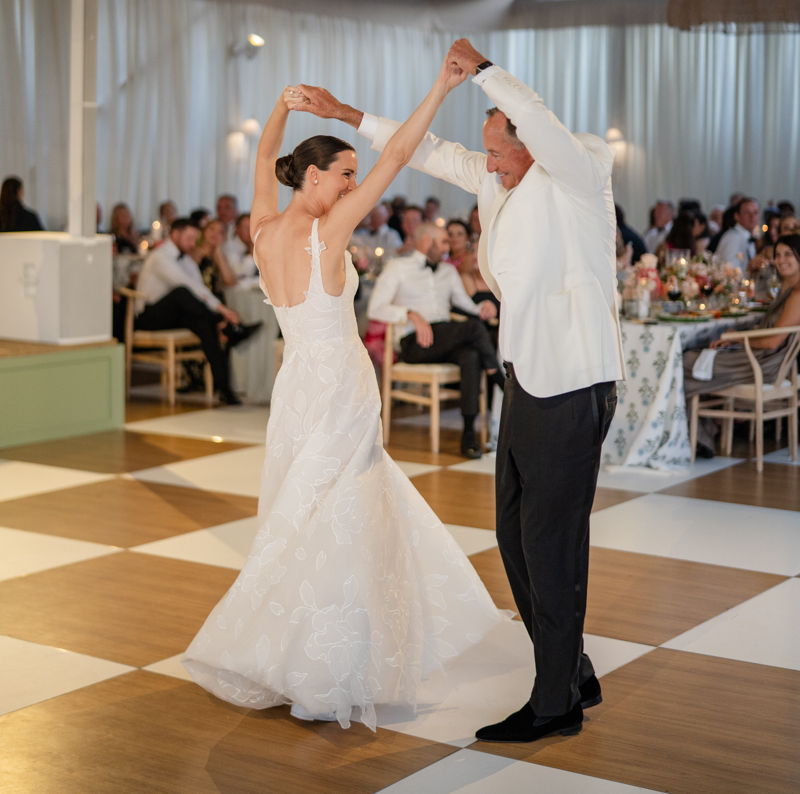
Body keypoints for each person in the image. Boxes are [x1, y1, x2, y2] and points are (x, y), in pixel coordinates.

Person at [294, 38, 623, 744]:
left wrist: (483, 72)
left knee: (552, 541)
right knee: (514, 533)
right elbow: (430, 151)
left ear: (528, 141)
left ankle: (556, 702)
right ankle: (572, 669)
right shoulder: (498, 180)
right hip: (526, 379)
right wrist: (346, 113)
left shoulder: (581, 166)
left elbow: (536, 120)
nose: (490, 162)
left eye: (499, 150)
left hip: (574, 382)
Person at [182, 65, 507, 729]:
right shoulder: (325, 233)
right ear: (313, 176)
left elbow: (263, 161)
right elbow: (398, 155)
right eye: (345, 175)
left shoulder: (262, 230)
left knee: (309, 516)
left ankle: (310, 659)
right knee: (342, 516)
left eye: (355, 176)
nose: (354, 186)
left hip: (298, 387)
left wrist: (281, 107)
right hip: (339, 387)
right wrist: (440, 89)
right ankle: (324, 672)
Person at [368, 221, 499, 459]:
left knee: (471, 355)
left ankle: (468, 433)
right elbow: (375, 308)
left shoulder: (448, 272)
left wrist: (484, 306)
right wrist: (410, 314)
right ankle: (497, 375)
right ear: (427, 241)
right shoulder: (399, 268)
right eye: (444, 242)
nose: (448, 247)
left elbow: (468, 306)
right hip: (413, 343)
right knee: (472, 329)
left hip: (444, 339)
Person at [684, 234, 800, 453]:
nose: (781, 260)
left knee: (688, 361)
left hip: (766, 364)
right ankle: (701, 434)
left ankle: (696, 437)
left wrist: (737, 338)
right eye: (778, 255)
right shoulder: (787, 285)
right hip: (762, 357)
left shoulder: (797, 294)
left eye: (788, 255)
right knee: (701, 355)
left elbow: (772, 342)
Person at [136, 217, 257, 404]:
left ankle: (224, 389)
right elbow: (185, 284)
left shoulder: (186, 260)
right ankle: (224, 327)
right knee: (181, 292)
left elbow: (201, 290)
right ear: (175, 234)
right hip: (148, 316)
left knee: (203, 324)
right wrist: (222, 313)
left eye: (195, 239)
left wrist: (221, 311)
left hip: (173, 315)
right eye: (189, 238)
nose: (193, 244)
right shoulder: (160, 257)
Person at [193, 217, 237, 300]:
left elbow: (230, 282)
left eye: (220, 232)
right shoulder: (194, 252)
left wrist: (218, 251)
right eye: (212, 229)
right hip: (198, 298)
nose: (215, 233)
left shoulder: (220, 257)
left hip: (216, 298)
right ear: (204, 231)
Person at [715, 197, 759, 268]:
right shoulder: (733, 238)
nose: (752, 216)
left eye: (755, 212)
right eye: (747, 212)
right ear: (737, 216)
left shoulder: (745, 237)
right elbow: (731, 270)